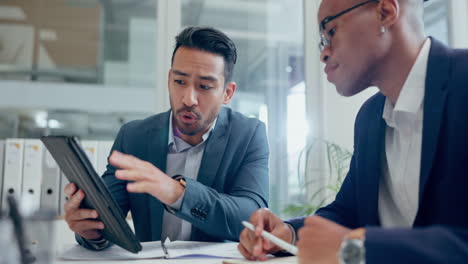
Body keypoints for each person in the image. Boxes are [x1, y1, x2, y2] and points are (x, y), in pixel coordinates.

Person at [238, 0, 468, 263]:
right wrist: (287, 233)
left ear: (385, 12)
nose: (324, 53)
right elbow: (348, 212)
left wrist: (357, 250)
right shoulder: (371, 117)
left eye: (331, 31)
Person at [63, 26, 269, 250]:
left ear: (227, 93)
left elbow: (252, 216)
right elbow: (107, 221)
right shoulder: (133, 137)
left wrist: (177, 193)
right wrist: (90, 229)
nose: (189, 99)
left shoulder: (248, 134)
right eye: (180, 82)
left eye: (205, 86)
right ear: (170, 79)